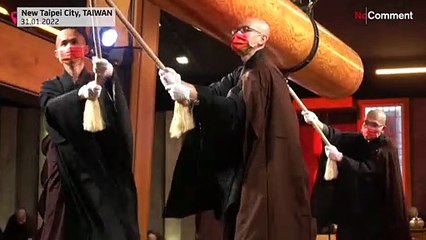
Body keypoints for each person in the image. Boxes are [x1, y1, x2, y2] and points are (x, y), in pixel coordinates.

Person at [159, 18, 316, 240]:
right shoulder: (243, 72)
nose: (238, 34)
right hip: (242, 171)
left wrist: (191, 95)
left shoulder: (261, 72)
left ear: (262, 40)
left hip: (260, 173)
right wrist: (179, 84)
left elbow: (237, 110)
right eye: (236, 30)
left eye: (245, 30)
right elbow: (214, 92)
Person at [39, 28, 139, 240]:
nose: (68, 47)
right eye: (63, 44)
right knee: (60, 224)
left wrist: (111, 78)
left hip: (97, 166)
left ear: (85, 48)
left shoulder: (99, 80)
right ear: (56, 53)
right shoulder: (51, 86)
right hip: (66, 166)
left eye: (73, 42)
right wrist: (80, 95)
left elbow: (117, 117)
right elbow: (50, 109)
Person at [302, 109, 411, 240]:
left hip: (375, 219)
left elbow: (367, 170)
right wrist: (316, 123)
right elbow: (336, 136)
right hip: (351, 215)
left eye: (374, 125)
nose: (369, 127)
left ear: (383, 128)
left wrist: (341, 158)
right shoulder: (358, 140)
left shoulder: (386, 148)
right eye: (367, 122)